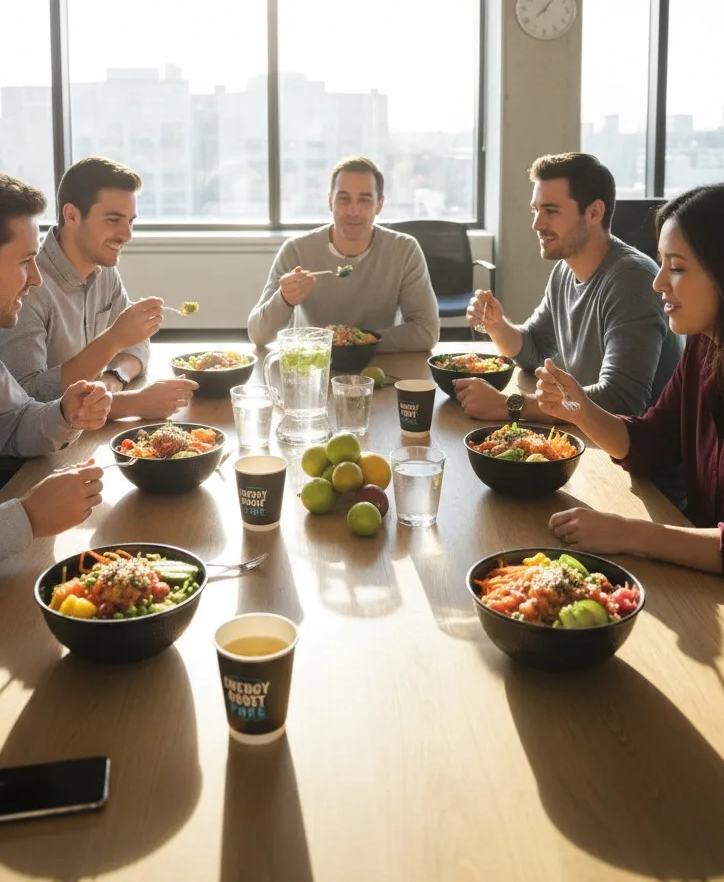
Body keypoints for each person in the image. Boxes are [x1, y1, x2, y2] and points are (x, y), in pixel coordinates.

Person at [539, 183, 724, 574]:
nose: (658, 283)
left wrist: (628, 534)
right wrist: (582, 411)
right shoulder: (703, 347)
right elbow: (652, 440)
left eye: (676, 268)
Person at [0, 166, 110, 586]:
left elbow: (15, 423)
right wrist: (27, 517)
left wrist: (64, 412)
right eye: (25, 262)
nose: (37, 278)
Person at [458, 152, 681, 422]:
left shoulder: (633, 279)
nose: (537, 224)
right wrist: (497, 326)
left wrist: (508, 405)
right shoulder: (565, 270)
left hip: (633, 456)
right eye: (535, 210)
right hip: (587, 435)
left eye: (550, 211)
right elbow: (535, 350)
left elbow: (622, 400)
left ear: (594, 212)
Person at [0, 157, 197, 420]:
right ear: (71, 215)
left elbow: (137, 345)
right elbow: (26, 398)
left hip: (80, 436)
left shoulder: (105, 269)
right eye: (113, 220)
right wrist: (128, 399)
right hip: (28, 455)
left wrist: (114, 378)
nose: (127, 235)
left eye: (131, 221)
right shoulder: (27, 285)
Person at [247, 157, 440, 353]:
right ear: (330, 201)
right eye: (344, 198)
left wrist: (358, 343)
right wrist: (284, 298)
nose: (353, 211)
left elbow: (427, 331)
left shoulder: (404, 250)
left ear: (379, 205)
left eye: (364, 200)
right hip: (313, 368)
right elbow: (258, 335)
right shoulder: (296, 250)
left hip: (380, 366)